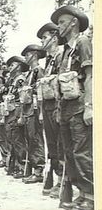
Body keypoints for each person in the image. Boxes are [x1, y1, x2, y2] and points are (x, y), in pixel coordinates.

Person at [51, 5, 93, 210]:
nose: (59, 27)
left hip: (79, 106)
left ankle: (91, 195)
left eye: (61, 22)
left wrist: (89, 106)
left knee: (82, 151)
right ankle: (81, 193)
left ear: (73, 22)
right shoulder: (66, 50)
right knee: (69, 152)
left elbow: (91, 75)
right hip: (66, 107)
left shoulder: (83, 42)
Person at [36, 22, 64, 198]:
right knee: (52, 144)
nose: (42, 42)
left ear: (54, 38)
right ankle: (55, 177)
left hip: (58, 105)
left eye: (44, 38)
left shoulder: (62, 55)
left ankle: (63, 181)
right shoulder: (49, 61)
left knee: (61, 143)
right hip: (47, 106)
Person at [20, 44, 46, 184]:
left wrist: (41, 112)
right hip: (28, 110)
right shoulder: (30, 73)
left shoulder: (38, 71)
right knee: (30, 139)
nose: (26, 58)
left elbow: (41, 92)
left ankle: (39, 170)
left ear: (35, 55)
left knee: (36, 139)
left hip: (35, 109)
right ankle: (34, 167)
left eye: (28, 55)